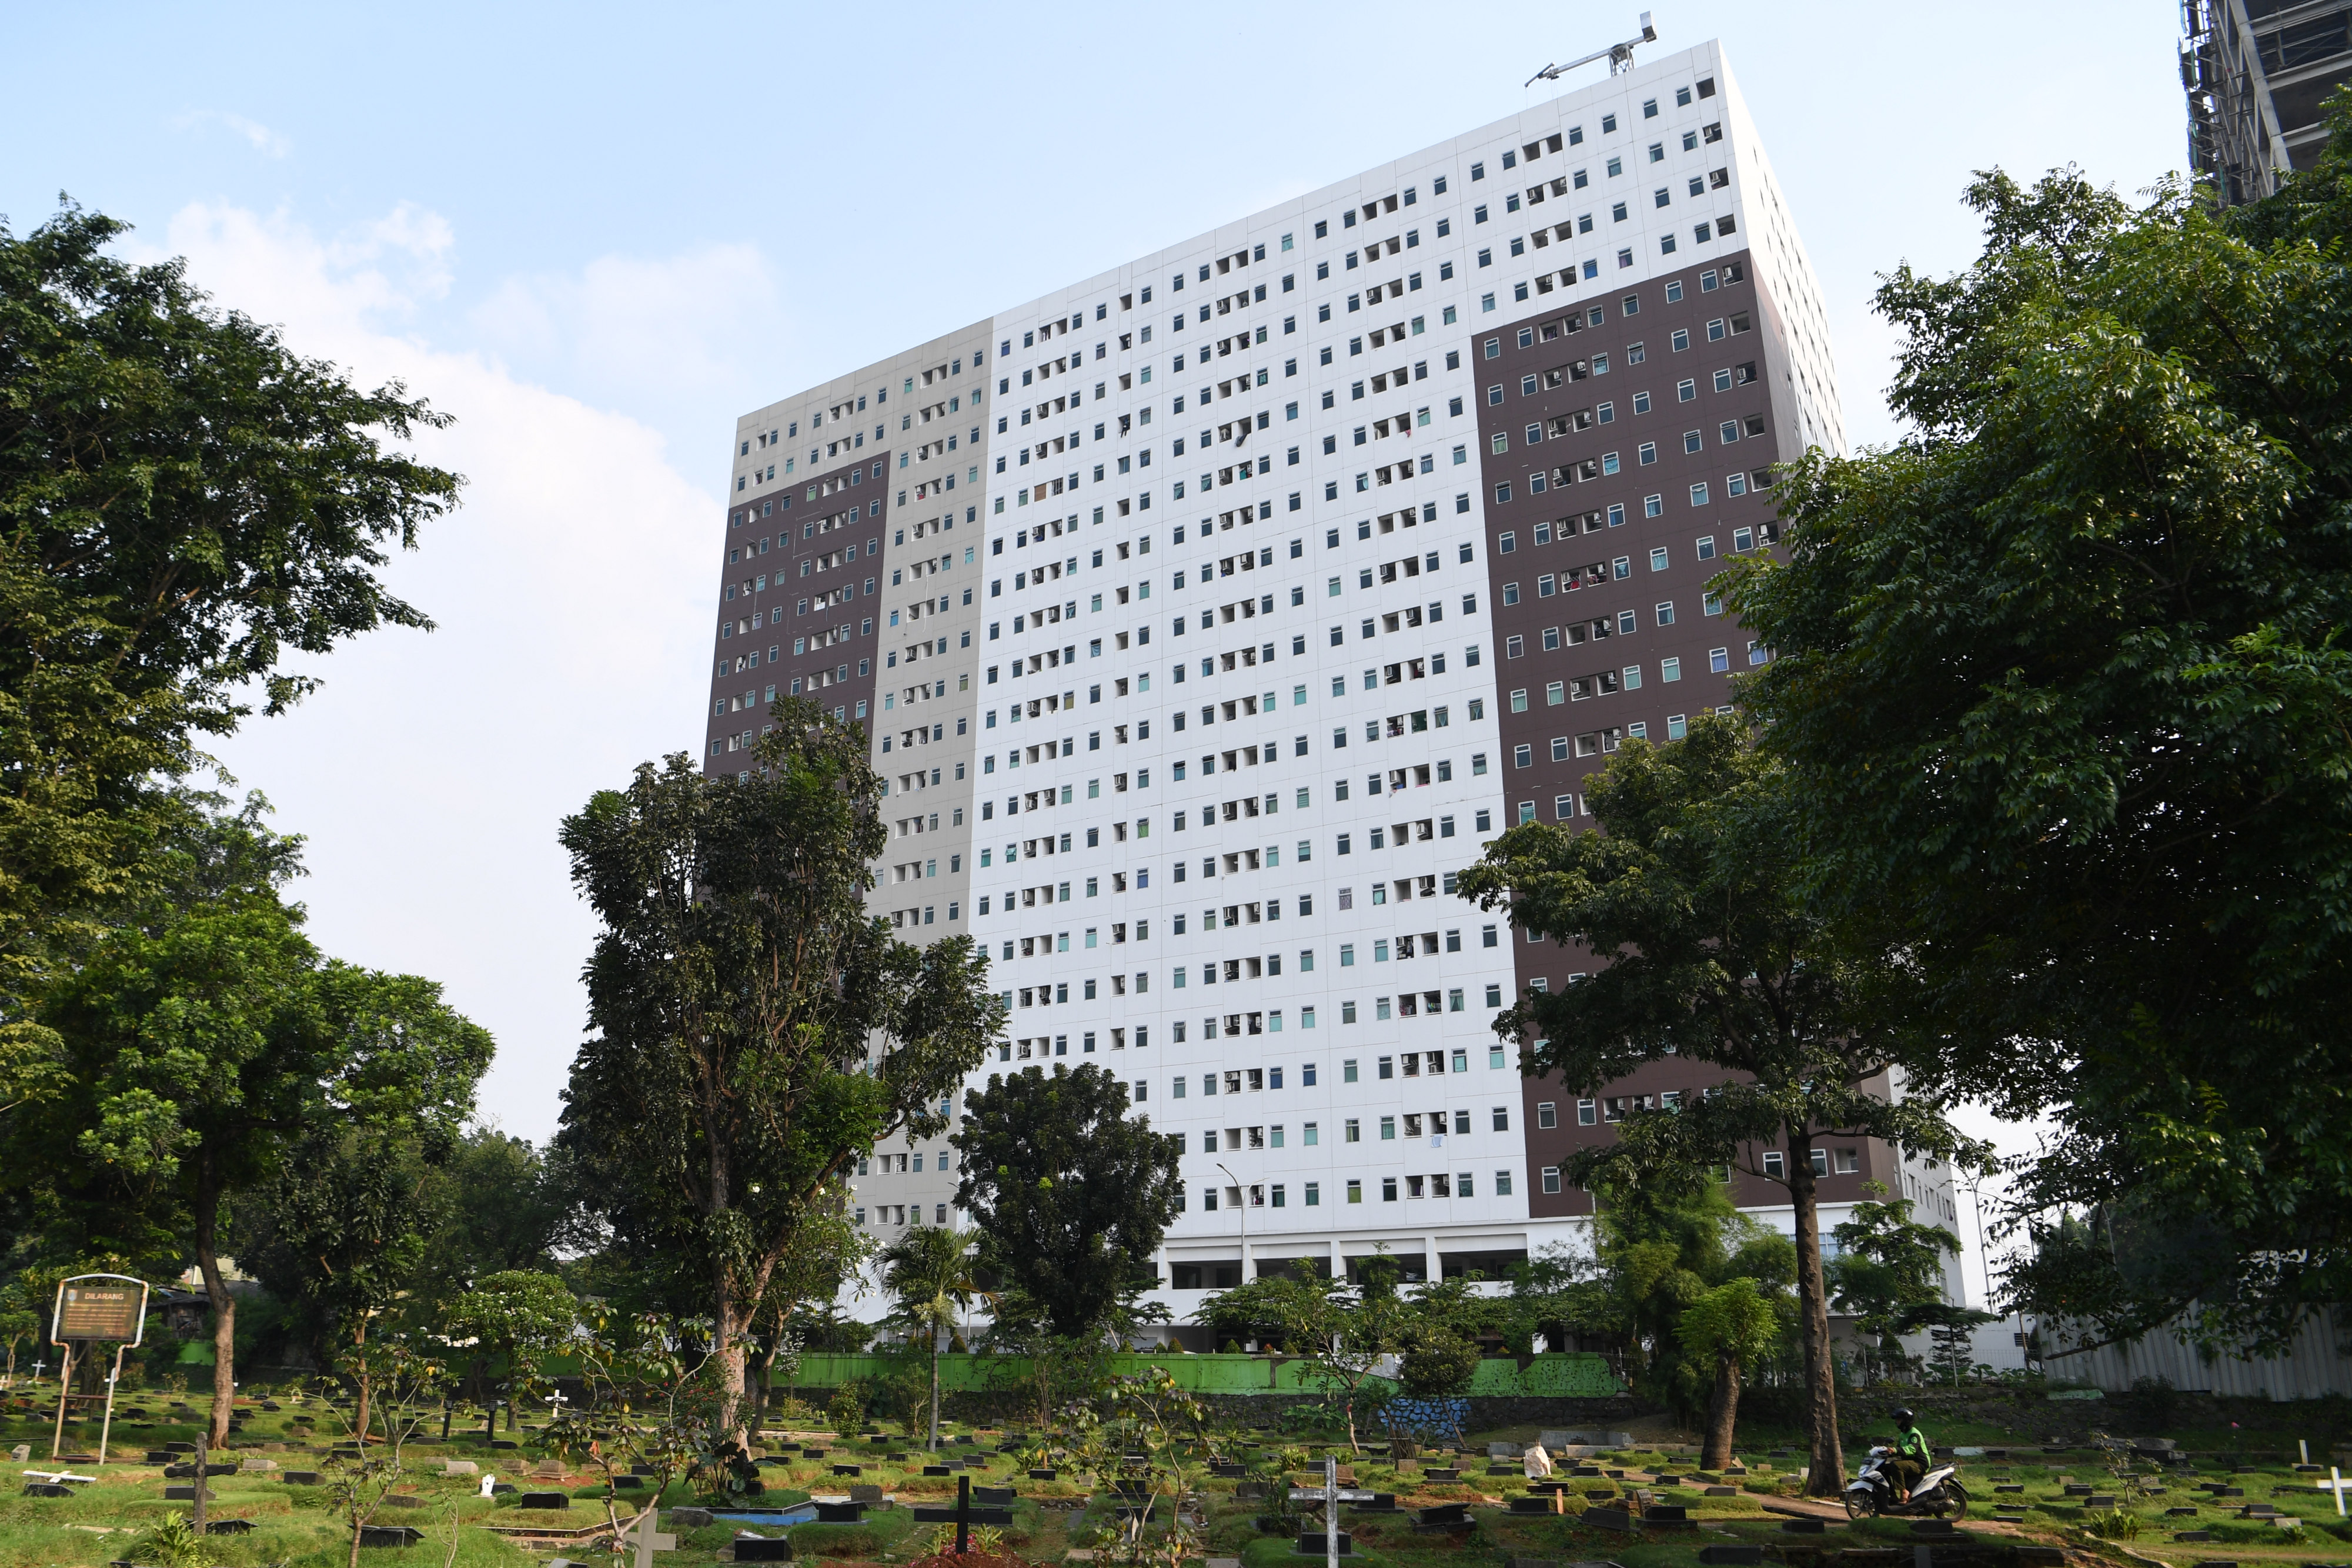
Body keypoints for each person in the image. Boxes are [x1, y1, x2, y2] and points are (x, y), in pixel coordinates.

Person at [1887, 1409, 1931, 1503]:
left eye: (1899, 1420)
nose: (1897, 1422)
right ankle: (1892, 1495)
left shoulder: (1914, 1434)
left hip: (1920, 1464)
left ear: (1906, 1421)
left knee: (1895, 1465)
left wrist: (1895, 1450)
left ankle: (1904, 1492)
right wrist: (1887, 1452)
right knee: (1885, 1468)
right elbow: (1899, 1449)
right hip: (1911, 1462)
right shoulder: (1903, 1435)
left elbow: (1912, 1449)